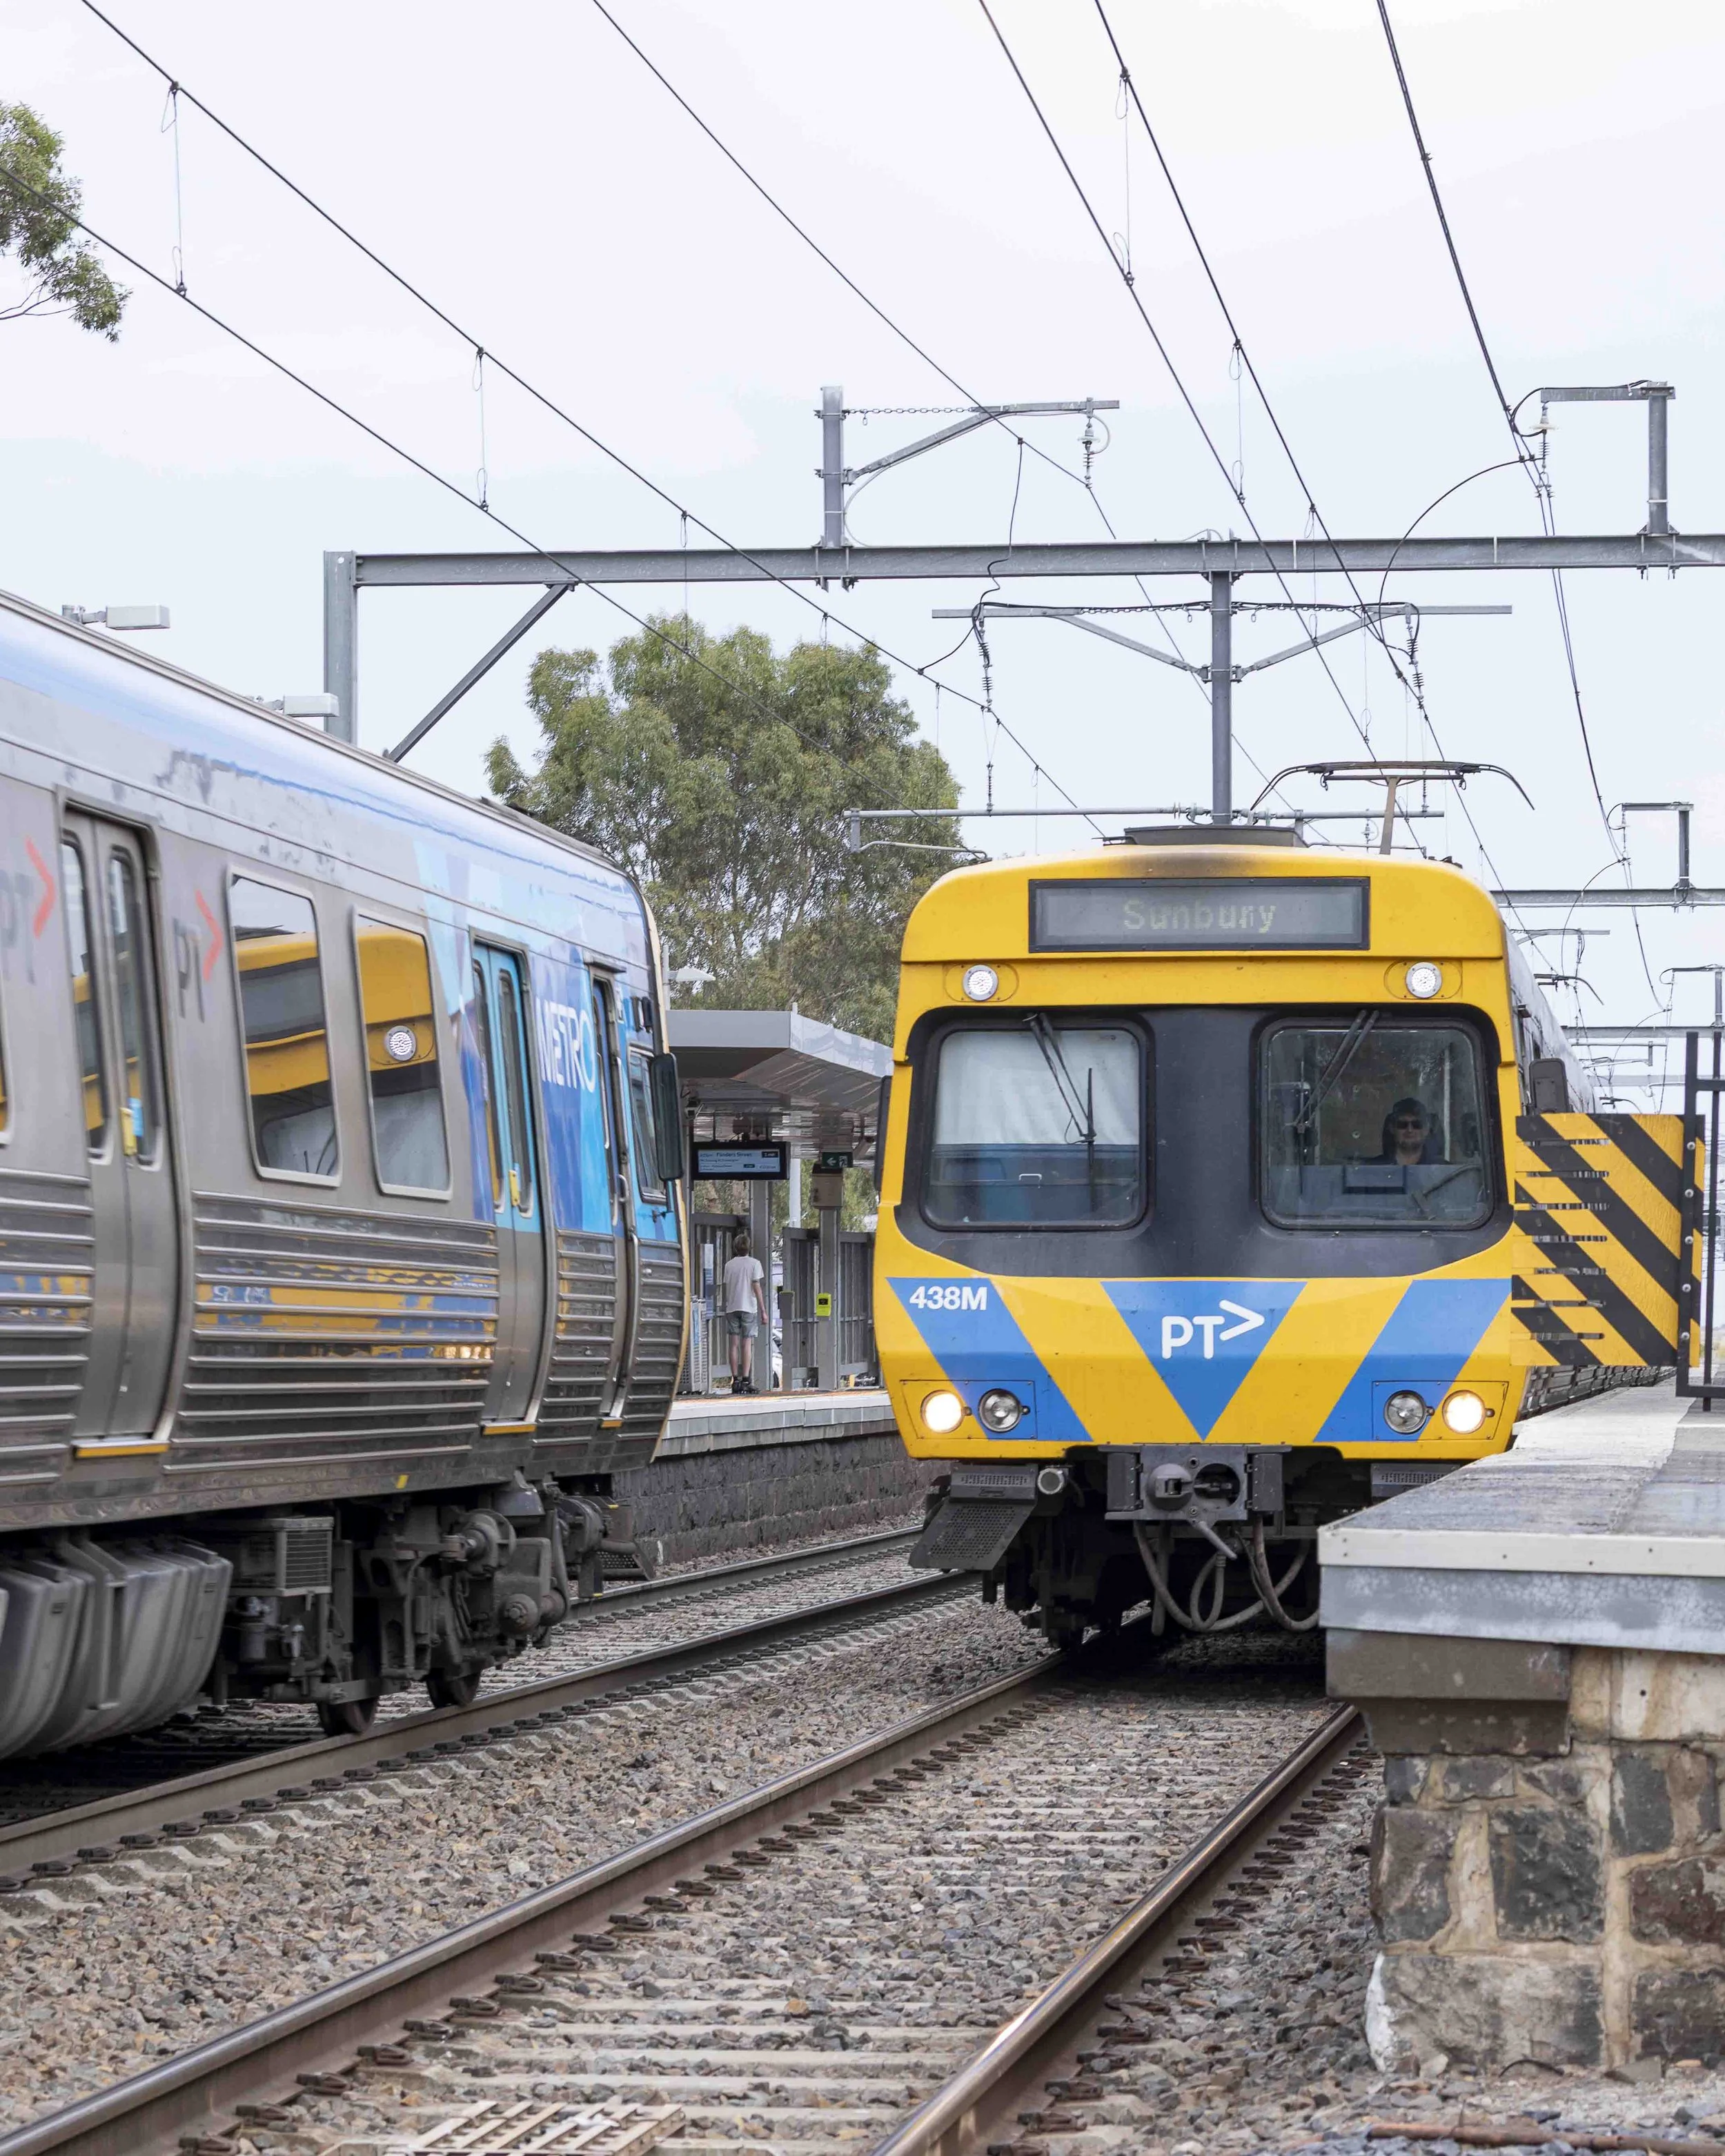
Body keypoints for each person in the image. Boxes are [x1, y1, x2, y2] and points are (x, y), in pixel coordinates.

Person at [721, 1231, 768, 1395]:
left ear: (735, 1248)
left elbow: (728, 1285)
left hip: (732, 1307)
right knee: (746, 1344)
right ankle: (746, 1380)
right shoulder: (755, 1264)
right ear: (749, 1247)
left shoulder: (729, 1265)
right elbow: (756, 1287)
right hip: (749, 1307)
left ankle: (736, 1380)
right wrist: (763, 1310)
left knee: (733, 1344)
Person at [1378, 1096, 1443, 1167]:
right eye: (1403, 1125)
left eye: (1417, 1125)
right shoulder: (1374, 1168)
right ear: (1392, 1128)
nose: (1410, 1130)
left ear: (1426, 1130)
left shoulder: (1444, 1169)